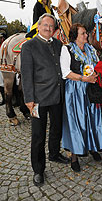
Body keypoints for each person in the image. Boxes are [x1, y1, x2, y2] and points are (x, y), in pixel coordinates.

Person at [21, 13, 70, 187]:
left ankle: (54, 154)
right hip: (38, 99)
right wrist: (29, 99)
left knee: (56, 128)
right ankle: (38, 169)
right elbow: (26, 75)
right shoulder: (29, 46)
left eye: (51, 26)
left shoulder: (58, 44)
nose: (48, 29)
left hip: (57, 96)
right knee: (38, 136)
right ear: (39, 26)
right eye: (45, 25)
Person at [60, 23, 102, 172]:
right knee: (76, 122)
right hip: (75, 91)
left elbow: (96, 65)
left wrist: (96, 74)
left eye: (86, 33)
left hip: (90, 89)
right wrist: (83, 79)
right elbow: (65, 72)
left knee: (92, 119)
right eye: (83, 33)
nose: (86, 35)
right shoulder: (67, 49)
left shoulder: (90, 49)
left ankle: (92, 147)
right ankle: (74, 156)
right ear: (75, 36)